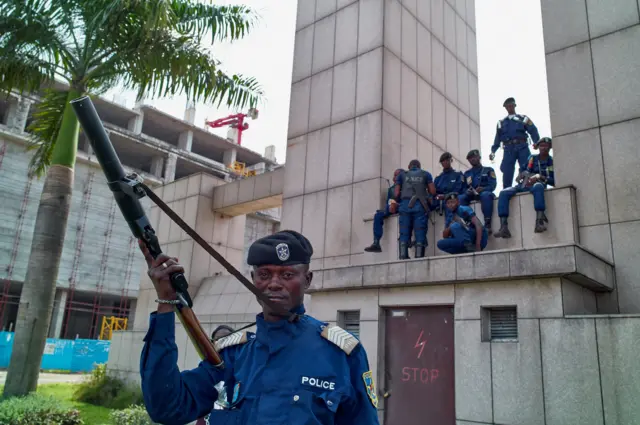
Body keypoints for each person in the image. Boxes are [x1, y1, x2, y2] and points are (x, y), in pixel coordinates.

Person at [139, 230, 380, 425]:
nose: (274, 284)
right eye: (264, 274)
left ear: (307, 280)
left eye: (287, 275)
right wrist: (166, 303)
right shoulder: (229, 356)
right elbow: (167, 408)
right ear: (253, 279)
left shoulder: (342, 355)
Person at [494, 137, 555, 238]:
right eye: (541, 146)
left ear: (550, 147)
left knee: (538, 186)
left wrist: (540, 177)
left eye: (546, 146)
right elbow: (522, 170)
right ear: (538, 147)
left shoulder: (551, 162)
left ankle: (539, 222)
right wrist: (521, 175)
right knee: (504, 192)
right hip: (524, 184)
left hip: (537, 185)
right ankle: (503, 227)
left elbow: (554, 181)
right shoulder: (532, 158)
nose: (544, 148)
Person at [489, 97, 540, 189]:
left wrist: (537, 142)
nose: (509, 107)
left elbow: (533, 130)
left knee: (526, 168)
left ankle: (526, 187)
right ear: (505, 108)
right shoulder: (501, 123)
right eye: (507, 106)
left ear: (514, 106)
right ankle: (506, 190)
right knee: (507, 170)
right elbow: (498, 138)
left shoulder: (523, 118)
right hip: (508, 149)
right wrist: (493, 151)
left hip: (522, 147)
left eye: (511, 105)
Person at [394, 159, 436, 260]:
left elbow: (396, 194)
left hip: (405, 205)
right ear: (419, 166)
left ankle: (403, 256)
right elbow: (433, 191)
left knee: (404, 232)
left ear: (409, 166)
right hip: (420, 205)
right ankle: (419, 256)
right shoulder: (426, 174)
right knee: (420, 231)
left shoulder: (402, 175)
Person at [364, 169, 403, 253]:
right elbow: (389, 201)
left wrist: (398, 206)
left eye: (397, 175)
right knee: (378, 215)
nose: (394, 177)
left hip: (403, 208)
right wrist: (389, 207)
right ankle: (376, 242)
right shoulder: (391, 189)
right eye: (394, 175)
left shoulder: (407, 187)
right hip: (392, 209)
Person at [459, 149, 497, 234]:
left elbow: (493, 185)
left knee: (485, 195)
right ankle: (467, 223)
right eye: (470, 158)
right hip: (471, 195)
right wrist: (467, 191)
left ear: (479, 157)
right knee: (460, 198)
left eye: (474, 157)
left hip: (484, 193)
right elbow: (462, 188)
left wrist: (483, 189)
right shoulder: (467, 174)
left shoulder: (488, 170)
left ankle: (487, 224)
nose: (472, 159)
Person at [433, 152, 466, 216]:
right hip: (440, 203)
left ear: (451, 160)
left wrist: (445, 196)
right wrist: (437, 197)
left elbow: (459, 190)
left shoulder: (458, 174)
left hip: (454, 201)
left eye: (447, 160)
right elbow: (434, 192)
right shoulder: (438, 177)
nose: (445, 162)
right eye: (443, 161)